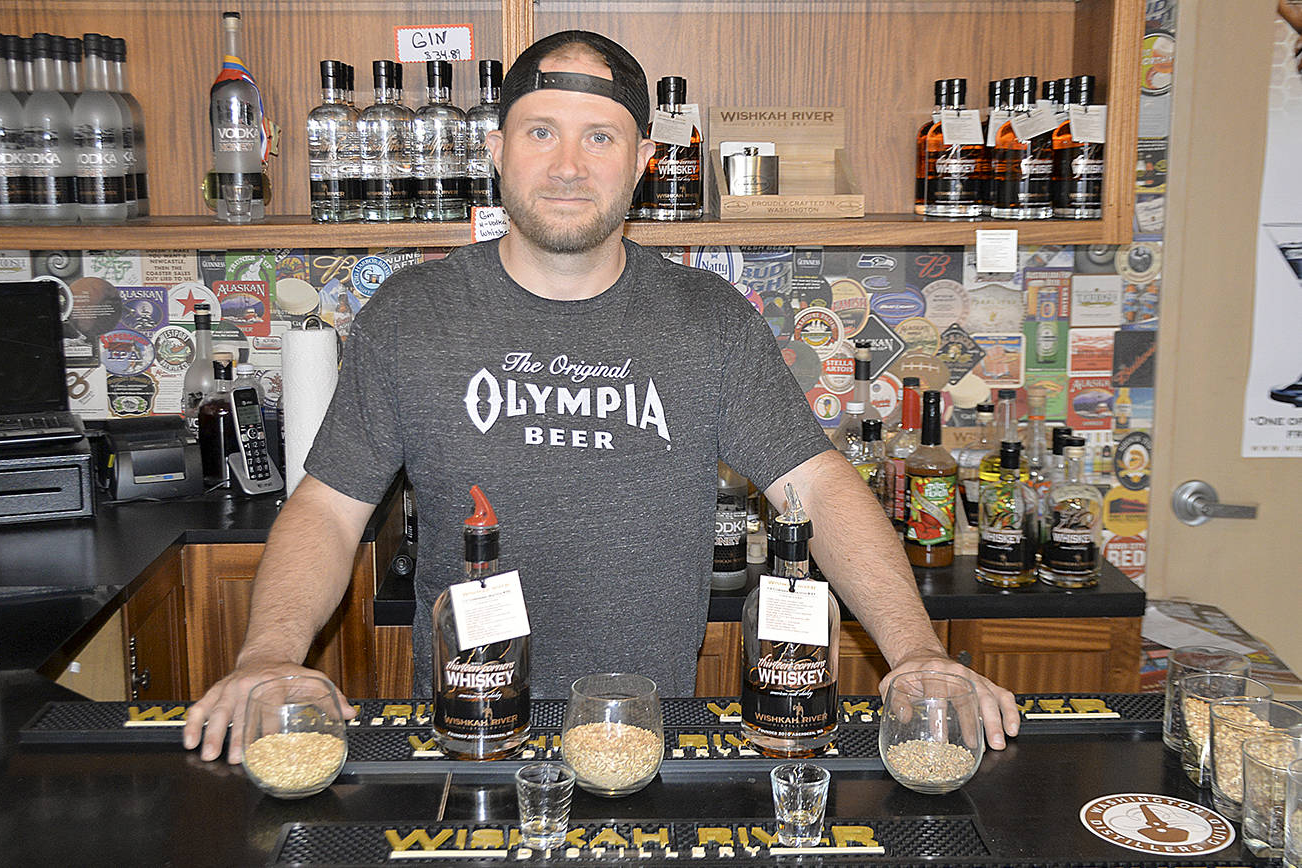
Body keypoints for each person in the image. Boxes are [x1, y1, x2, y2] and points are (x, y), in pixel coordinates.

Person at [184, 30, 1021, 764]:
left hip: (644, 731)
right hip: (468, 729)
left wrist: (914, 651)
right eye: (541, 132)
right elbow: (328, 510)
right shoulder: (411, 313)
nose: (568, 166)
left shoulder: (707, 321)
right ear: (496, 147)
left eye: (601, 137)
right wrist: (267, 655)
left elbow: (821, 486)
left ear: (644, 161)